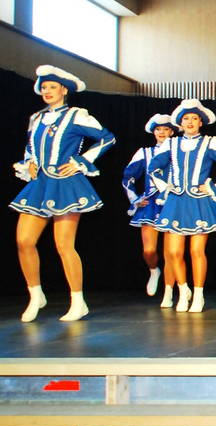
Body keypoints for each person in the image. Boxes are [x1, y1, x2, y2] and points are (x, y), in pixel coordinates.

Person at [12, 65, 115, 322]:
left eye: (52, 87)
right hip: (40, 184)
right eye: (44, 87)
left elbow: (107, 138)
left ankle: (78, 301)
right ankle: (36, 295)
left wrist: (81, 161)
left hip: (66, 186)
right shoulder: (36, 118)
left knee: (63, 245)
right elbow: (31, 147)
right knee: (24, 240)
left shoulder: (76, 115)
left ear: (64, 90)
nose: (47, 91)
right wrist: (29, 162)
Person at [148, 99, 216, 314]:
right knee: (174, 252)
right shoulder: (171, 144)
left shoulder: (210, 142)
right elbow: (153, 167)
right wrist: (165, 187)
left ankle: (198, 294)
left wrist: (214, 187)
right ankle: (183, 289)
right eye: (186, 118)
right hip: (176, 202)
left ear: (200, 122)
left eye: (194, 118)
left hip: (199, 202)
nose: (190, 122)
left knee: (196, 250)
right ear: (180, 122)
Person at [123, 114, 178, 306]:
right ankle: (154, 271)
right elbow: (128, 177)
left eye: (166, 129)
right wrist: (135, 199)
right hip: (151, 205)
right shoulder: (144, 153)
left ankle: (169, 292)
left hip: (173, 202)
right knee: (149, 251)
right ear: (153, 132)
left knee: (171, 253)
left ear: (172, 132)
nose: (162, 132)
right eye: (158, 129)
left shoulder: (178, 151)